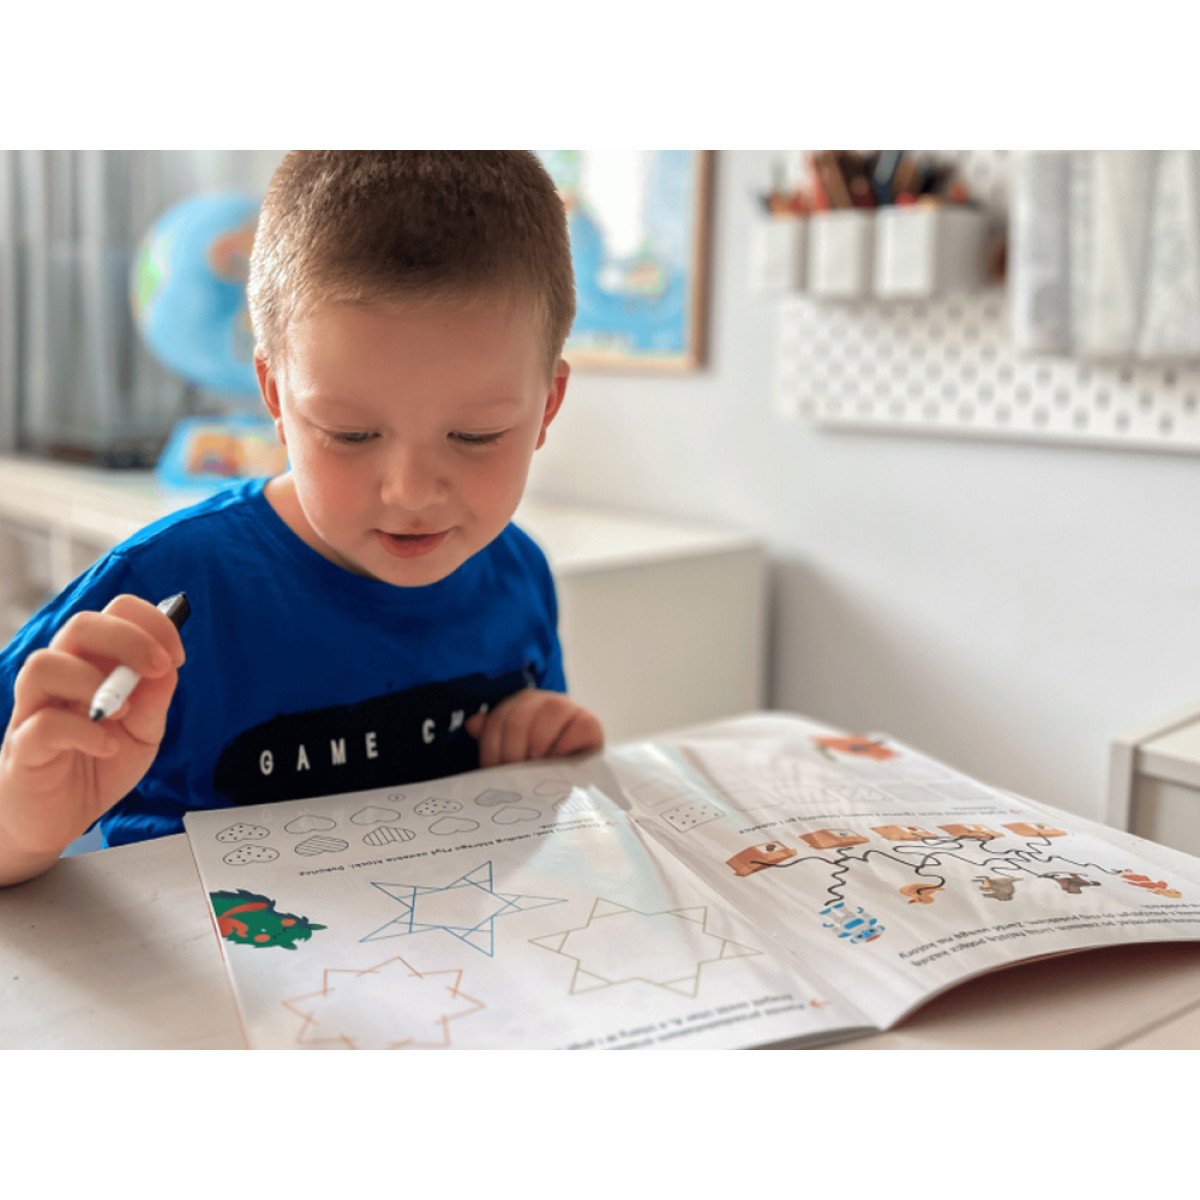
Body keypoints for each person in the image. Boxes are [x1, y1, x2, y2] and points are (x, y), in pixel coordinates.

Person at [0, 151, 604, 887]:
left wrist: (542, 748)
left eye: (476, 436)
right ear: (275, 395)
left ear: (547, 406)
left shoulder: (519, 574)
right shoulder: (161, 589)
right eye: (352, 434)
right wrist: (22, 826)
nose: (411, 493)